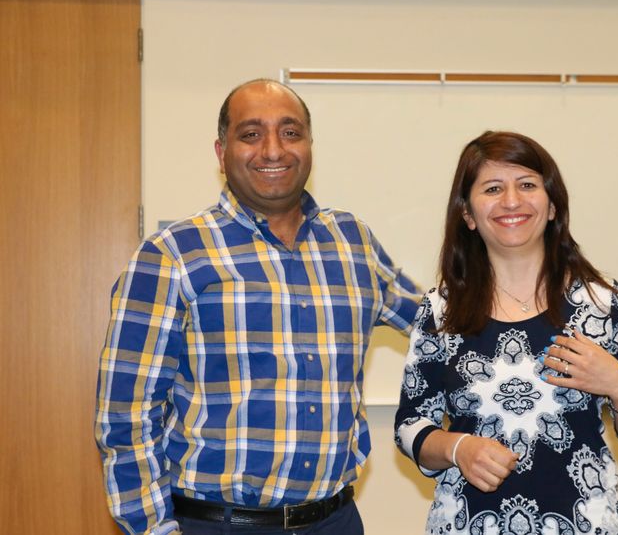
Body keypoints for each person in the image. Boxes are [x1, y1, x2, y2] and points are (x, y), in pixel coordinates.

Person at [95, 78, 421, 535]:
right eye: (251, 134)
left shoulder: (353, 242)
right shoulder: (173, 254)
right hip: (220, 525)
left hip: (337, 521)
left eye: (291, 132)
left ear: (309, 144)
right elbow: (125, 416)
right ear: (221, 151)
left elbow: (437, 323)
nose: (273, 150)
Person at [394, 131, 618, 535]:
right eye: (492, 188)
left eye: (526, 185)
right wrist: (458, 447)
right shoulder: (440, 310)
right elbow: (410, 426)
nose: (511, 201)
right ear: (467, 214)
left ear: (552, 204)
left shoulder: (602, 303)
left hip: (585, 524)